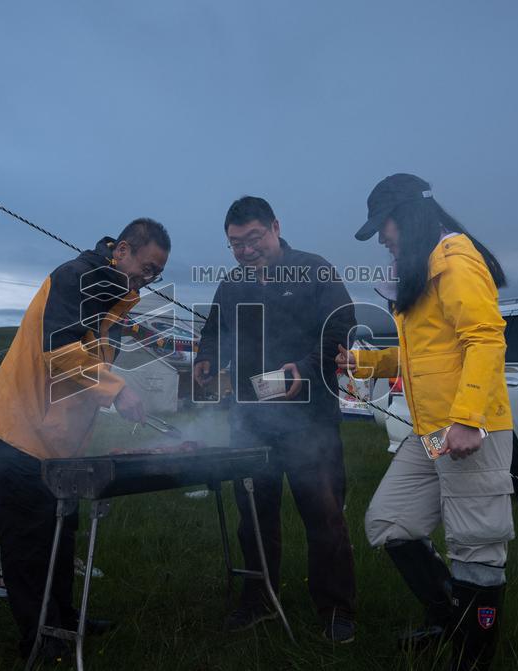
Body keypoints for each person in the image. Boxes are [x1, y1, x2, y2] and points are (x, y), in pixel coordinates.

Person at [0, 218, 170, 661]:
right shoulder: (77, 277)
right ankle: (36, 639)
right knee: (28, 541)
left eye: (158, 272)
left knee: (60, 533)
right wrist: (118, 391)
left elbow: (91, 359)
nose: (150, 277)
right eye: (148, 265)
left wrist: (111, 393)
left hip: (58, 436)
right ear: (121, 250)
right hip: (21, 426)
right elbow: (60, 350)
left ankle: (62, 620)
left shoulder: (115, 296)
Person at [337, 174, 513, 670]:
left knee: (476, 551)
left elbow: (486, 339)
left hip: (467, 430)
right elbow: (426, 357)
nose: (382, 238)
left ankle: (471, 659)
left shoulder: (454, 260)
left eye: (383, 227)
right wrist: (364, 364)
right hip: (432, 433)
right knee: (390, 522)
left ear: (408, 216)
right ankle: (449, 619)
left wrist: (467, 420)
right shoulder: (422, 269)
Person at [194, 196, 357, 643]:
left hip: (311, 422)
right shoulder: (231, 285)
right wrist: (205, 360)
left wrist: (303, 367)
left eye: (253, 239)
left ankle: (336, 609)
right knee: (253, 518)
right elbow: (211, 333)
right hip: (250, 420)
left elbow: (342, 324)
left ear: (275, 228)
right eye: (235, 244)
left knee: (325, 516)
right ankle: (258, 601)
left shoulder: (314, 270)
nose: (245, 251)